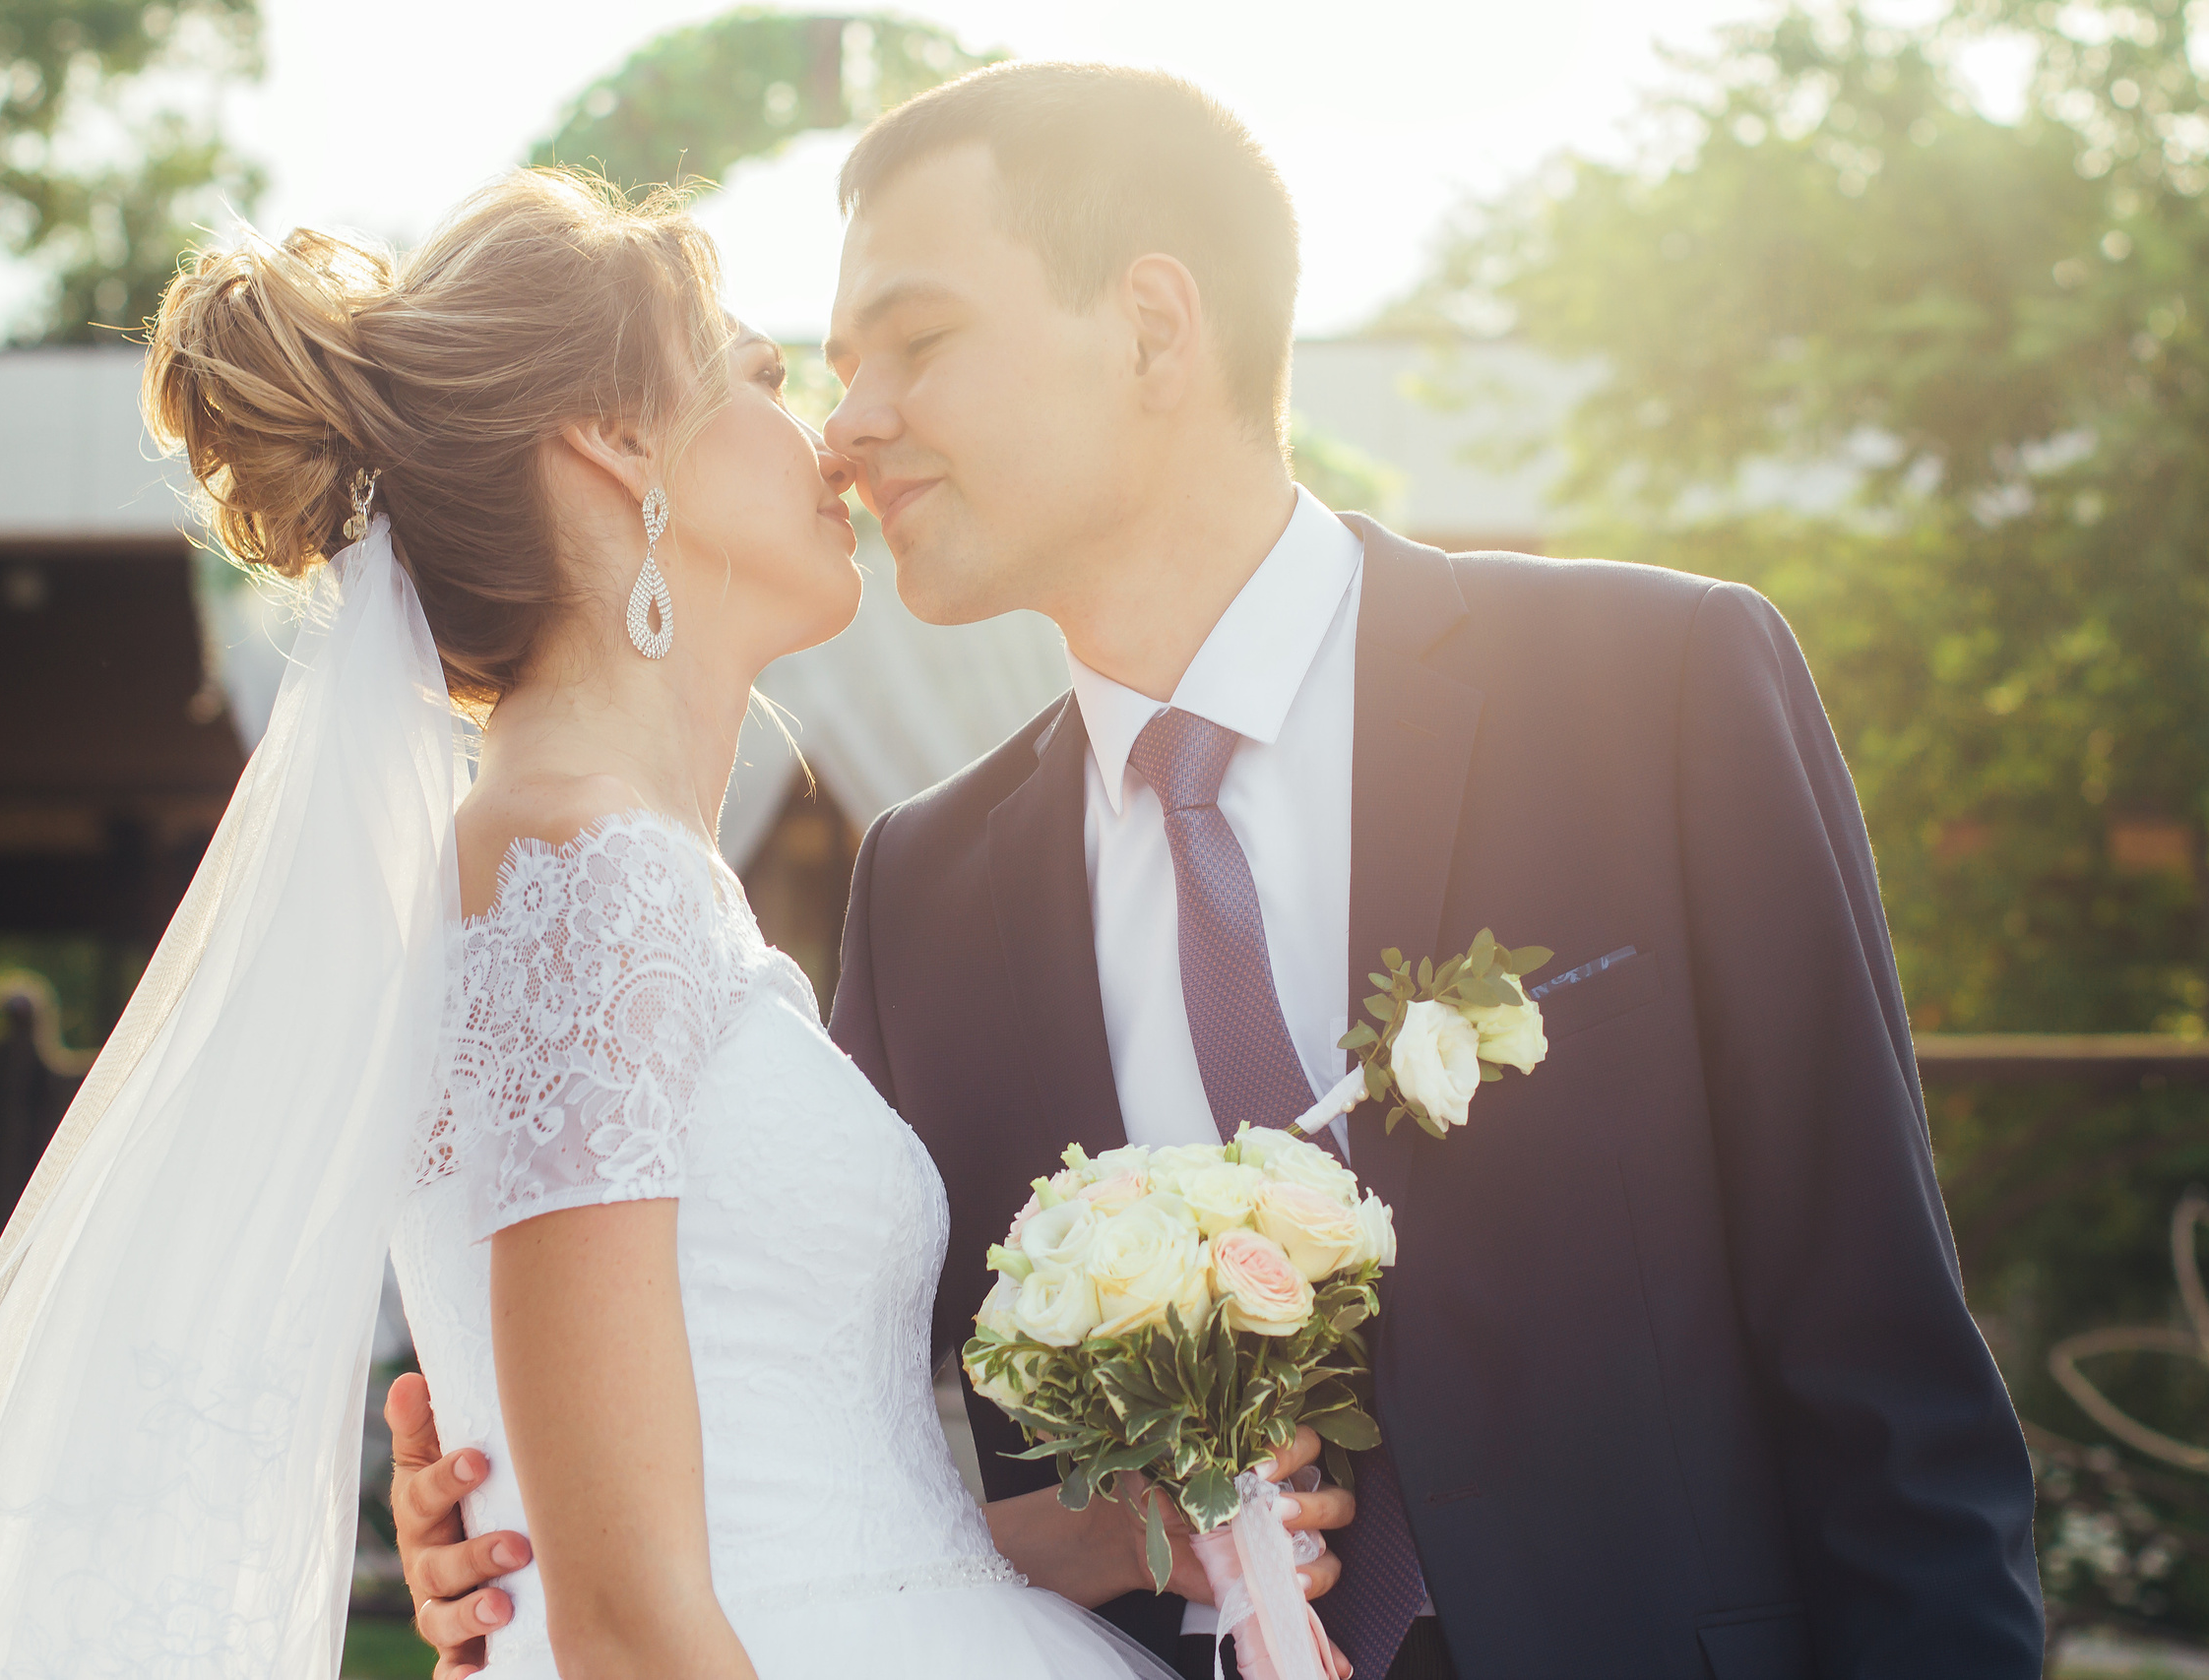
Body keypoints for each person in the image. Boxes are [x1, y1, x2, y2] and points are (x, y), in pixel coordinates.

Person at [398, 61, 2048, 1680]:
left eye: (917, 341)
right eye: (829, 368)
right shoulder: (930, 887)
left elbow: (1892, 1386)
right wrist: (507, 1524)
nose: (851, 426)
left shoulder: (1660, 691)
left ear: (1153, 326)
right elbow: (850, 1422)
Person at [0, 168, 1357, 1680]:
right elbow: (628, 1627)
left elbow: (794, 1527)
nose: (828, 431)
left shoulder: (624, 877)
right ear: (621, 444)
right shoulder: (578, 873)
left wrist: (1126, 1537)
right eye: (762, 376)